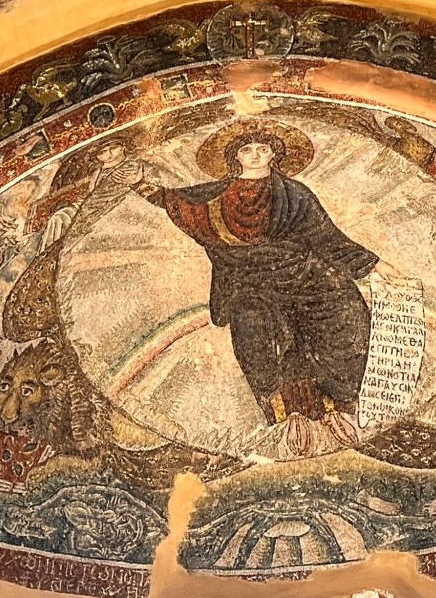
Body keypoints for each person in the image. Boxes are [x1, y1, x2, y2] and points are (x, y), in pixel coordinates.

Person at [114, 120, 402, 454]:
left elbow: (327, 237)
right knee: (253, 328)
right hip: (248, 280)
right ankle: (287, 411)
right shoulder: (217, 196)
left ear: (274, 154)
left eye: (262, 149)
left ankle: (337, 406)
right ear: (235, 156)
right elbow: (177, 202)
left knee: (344, 312)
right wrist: (138, 182)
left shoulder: (294, 193)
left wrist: (375, 265)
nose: (255, 155)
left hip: (305, 273)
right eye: (247, 149)